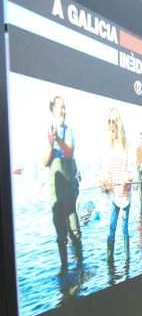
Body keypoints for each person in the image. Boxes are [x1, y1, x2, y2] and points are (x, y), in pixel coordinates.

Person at [43, 96, 83, 272]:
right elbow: (45, 161)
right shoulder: (48, 132)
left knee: (74, 231)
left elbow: (69, 153)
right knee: (61, 235)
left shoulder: (68, 131)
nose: (63, 111)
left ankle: (81, 265)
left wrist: (58, 139)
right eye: (61, 107)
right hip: (55, 195)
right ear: (53, 108)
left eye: (65, 107)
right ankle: (64, 268)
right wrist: (51, 144)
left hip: (69, 192)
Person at [103, 109, 132, 264]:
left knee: (124, 227)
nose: (111, 125)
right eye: (109, 122)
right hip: (114, 194)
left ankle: (127, 261)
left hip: (125, 193)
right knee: (112, 226)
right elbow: (107, 170)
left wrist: (128, 178)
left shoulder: (126, 143)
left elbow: (129, 170)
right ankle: (110, 261)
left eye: (113, 121)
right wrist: (105, 181)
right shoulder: (108, 144)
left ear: (118, 123)